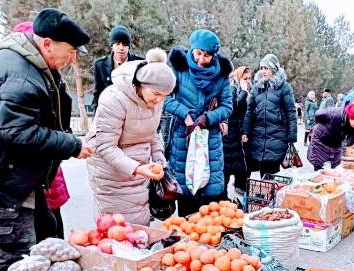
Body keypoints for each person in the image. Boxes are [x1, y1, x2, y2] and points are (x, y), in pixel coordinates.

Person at [0, 8, 93, 271]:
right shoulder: (16, 71)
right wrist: (72, 144)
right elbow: (18, 131)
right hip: (6, 185)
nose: (72, 58)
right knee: (16, 263)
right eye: (70, 50)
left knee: (37, 248)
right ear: (47, 43)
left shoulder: (35, 67)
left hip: (24, 181)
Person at [86, 49, 176, 225]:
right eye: (156, 94)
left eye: (164, 97)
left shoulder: (155, 100)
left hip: (138, 169)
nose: (159, 100)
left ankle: (141, 251)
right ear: (141, 84)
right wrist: (136, 168)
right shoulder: (114, 98)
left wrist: (159, 157)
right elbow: (105, 146)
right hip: (110, 171)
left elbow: (153, 133)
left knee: (139, 219)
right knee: (117, 227)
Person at [164, 29, 233, 217]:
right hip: (183, 136)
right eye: (198, 53)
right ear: (192, 50)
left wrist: (208, 118)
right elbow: (165, 98)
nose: (202, 59)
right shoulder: (178, 69)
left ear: (214, 55)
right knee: (186, 195)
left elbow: (227, 106)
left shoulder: (222, 75)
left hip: (210, 138)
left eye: (207, 55)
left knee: (209, 201)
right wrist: (186, 116)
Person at [12, 21, 71, 240]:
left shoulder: (52, 77)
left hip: (49, 166)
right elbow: (23, 132)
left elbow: (60, 120)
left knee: (53, 231)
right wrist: (69, 143)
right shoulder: (20, 78)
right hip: (29, 173)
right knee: (34, 241)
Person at [242, 53, 297, 177]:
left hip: (277, 135)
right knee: (263, 173)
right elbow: (249, 110)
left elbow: (291, 111)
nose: (263, 71)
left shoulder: (284, 87)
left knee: (271, 171)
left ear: (274, 69)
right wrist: (245, 131)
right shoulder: (257, 87)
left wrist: (292, 135)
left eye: (266, 68)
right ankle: (266, 195)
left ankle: (272, 195)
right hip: (259, 135)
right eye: (261, 68)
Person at [92, 25, 143, 112]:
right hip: (110, 112)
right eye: (117, 44)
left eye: (125, 44)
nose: (121, 48)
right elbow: (98, 94)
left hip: (133, 113)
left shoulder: (139, 63)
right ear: (112, 46)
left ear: (129, 47)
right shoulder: (100, 65)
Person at [308, 100, 354, 170]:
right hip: (321, 140)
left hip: (337, 141)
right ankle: (318, 176)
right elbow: (317, 114)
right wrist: (322, 127)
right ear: (350, 117)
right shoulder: (334, 113)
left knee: (335, 165)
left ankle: (332, 178)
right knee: (319, 163)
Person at [222, 66, 251, 198]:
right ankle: (224, 199)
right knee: (226, 171)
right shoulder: (232, 88)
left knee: (242, 171)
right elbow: (233, 108)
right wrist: (244, 92)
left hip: (239, 136)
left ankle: (238, 198)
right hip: (229, 137)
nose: (248, 81)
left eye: (250, 78)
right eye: (245, 78)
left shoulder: (247, 90)